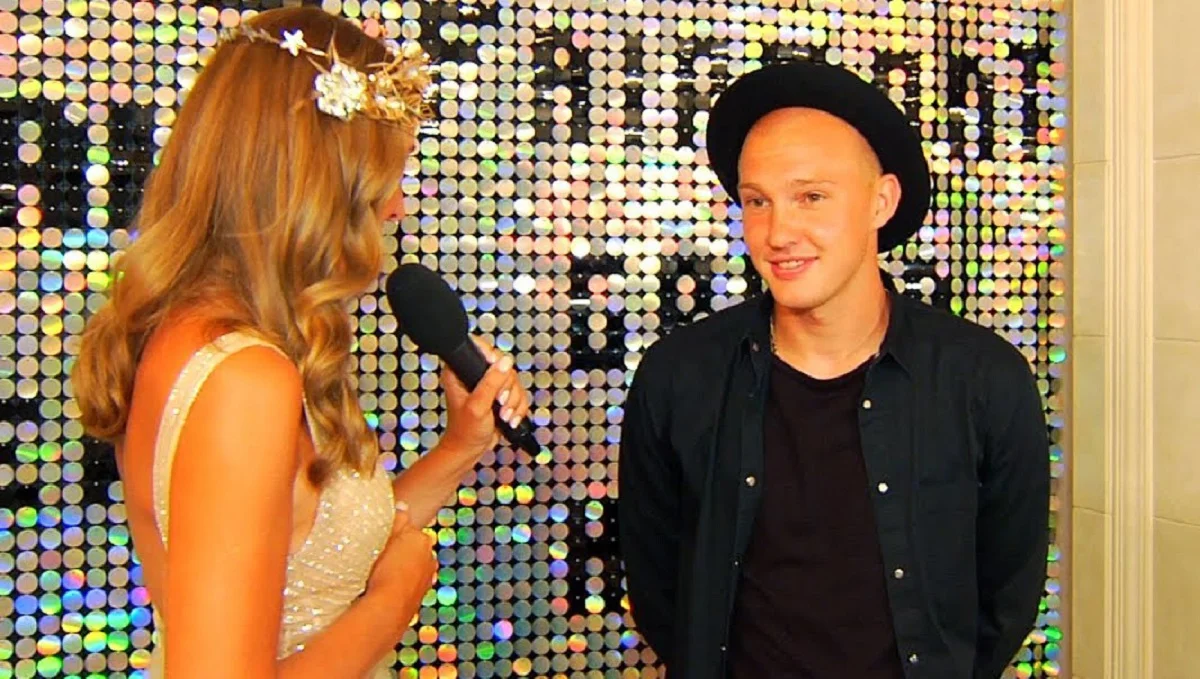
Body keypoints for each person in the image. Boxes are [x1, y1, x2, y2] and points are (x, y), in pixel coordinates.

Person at [71, 7, 531, 677]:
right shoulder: (242, 379)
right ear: (319, 178)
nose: (396, 207)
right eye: (386, 176)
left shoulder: (211, 337)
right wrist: (396, 598)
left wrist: (462, 445)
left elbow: (316, 561)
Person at [618, 62, 1050, 679]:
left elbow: (1006, 597)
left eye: (811, 197)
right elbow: (659, 587)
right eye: (757, 202)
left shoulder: (983, 379)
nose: (778, 232)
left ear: (882, 201)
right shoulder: (679, 377)